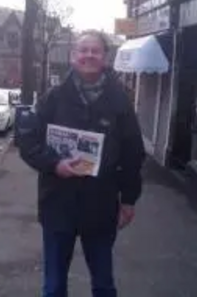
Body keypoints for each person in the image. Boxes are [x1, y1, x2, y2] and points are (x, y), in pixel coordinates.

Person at [19, 30, 145, 297]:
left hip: (100, 207)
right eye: (83, 50)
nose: (89, 55)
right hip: (57, 205)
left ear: (104, 57)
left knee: (103, 285)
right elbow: (28, 142)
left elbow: (133, 154)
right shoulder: (52, 98)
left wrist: (129, 200)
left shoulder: (120, 101)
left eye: (95, 50)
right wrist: (55, 165)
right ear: (73, 56)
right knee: (53, 288)